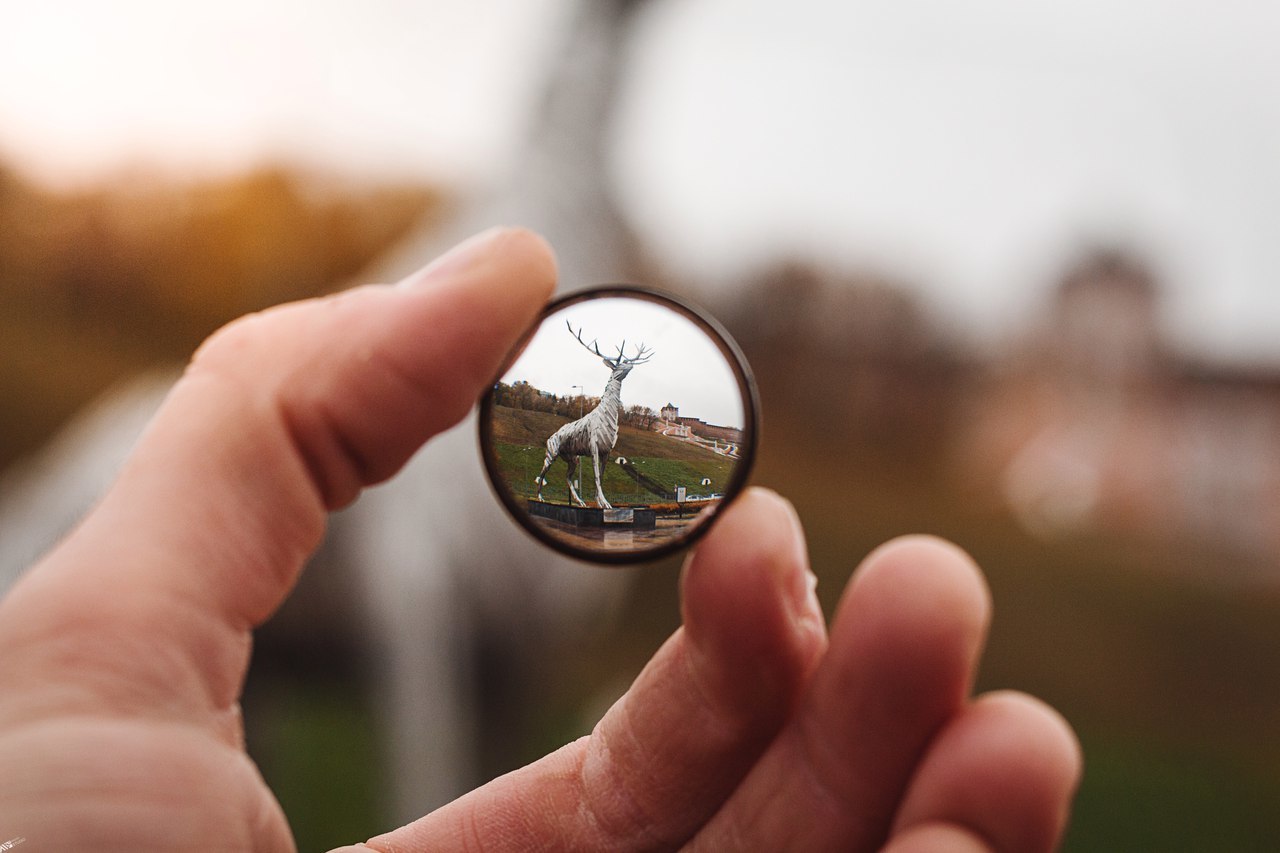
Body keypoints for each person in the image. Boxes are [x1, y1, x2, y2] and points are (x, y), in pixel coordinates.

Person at [0, 228, 1080, 851]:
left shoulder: (624, 400)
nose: (613, 390)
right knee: (585, 459)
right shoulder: (563, 414)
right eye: (610, 381)